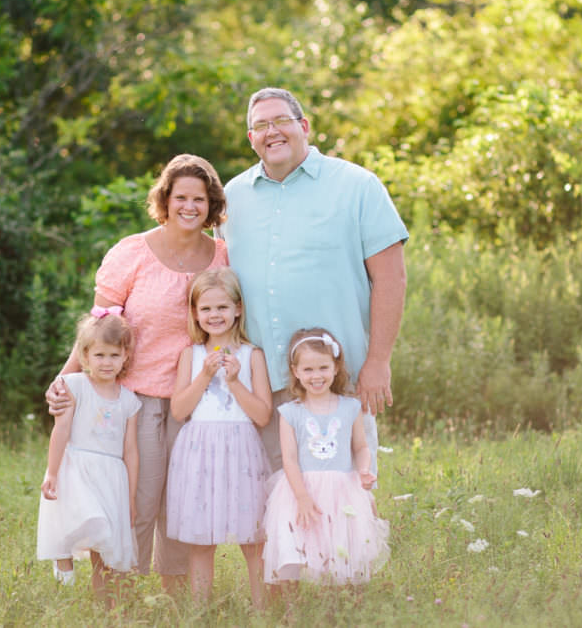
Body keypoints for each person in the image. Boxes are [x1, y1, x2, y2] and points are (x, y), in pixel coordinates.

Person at [46, 154, 229, 591]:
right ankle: (116, 594)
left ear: (212, 204)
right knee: (136, 500)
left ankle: (176, 597)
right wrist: (65, 379)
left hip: (199, 398)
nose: (189, 206)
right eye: (180, 197)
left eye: (199, 199)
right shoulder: (131, 253)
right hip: (135, 399)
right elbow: (99, 326)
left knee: (184, 501)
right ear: (164, 200)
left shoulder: (223, 255)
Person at [220, 87, 409, 474]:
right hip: (261, 385)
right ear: (250, 138)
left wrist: (378, 361)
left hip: (335, 382)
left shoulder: (357, 185)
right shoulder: (231, 198)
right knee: (271, 506)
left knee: (345, 499)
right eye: (260, 125)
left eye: (281, 121)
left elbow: (392, 278)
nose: (271, 131)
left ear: (304, 126)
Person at [166, 267, 273, 606]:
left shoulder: (252, 355)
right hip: (199, 451)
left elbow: (262, 415)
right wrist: (204, 376)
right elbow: (179, 411)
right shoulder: (191, 355)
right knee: (201, 540)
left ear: (238, 309)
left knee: (254, 539)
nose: (215, 315)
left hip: (241, 450)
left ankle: (261, 611)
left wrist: (235, 381)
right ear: (196, 314)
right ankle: (200, 611)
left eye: (223, 307)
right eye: (207, 309)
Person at [263, 328, 389, 586]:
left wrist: (364, 469)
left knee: (343, 553)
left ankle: (341, 610)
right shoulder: (290, 412)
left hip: (342, 490)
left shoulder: (350, 407)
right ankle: (296, 613)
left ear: (335, 368)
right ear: (296, 372)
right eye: (308, 370)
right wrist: (301, 497)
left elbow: (361, 447)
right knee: (299, 548)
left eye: (323, 368)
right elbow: (289, 459)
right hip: (302, 490)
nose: (316, 376)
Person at [36, 308, 141, 608]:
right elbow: (62, 430)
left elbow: (130, 452)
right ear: (84, 355)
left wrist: (131, 498)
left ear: (125, 357)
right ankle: (63, 591)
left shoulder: (129, 401)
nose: (106, 363)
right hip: (76, 470)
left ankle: (102, 605)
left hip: (111, 477)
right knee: (72, 526)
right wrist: (52, 472)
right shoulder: (75, 386)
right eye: (99, 355)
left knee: (102, 545)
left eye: (113, 355)